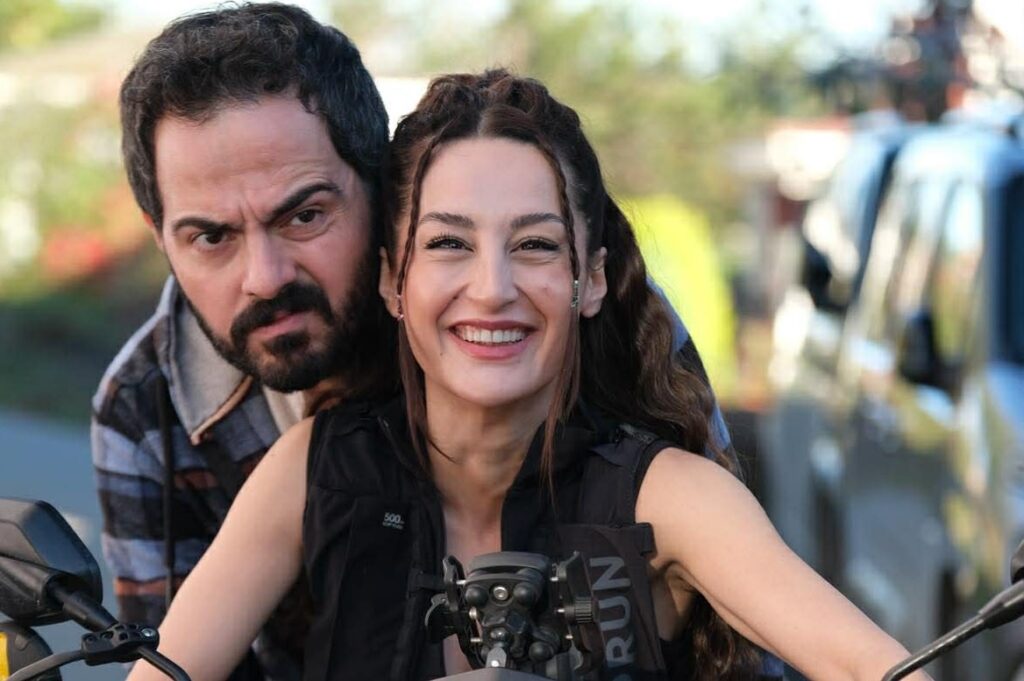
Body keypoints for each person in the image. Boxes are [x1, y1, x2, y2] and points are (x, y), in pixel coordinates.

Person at [127, 70, 928, 681]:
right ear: (393, 281)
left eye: (536, 245)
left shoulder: (669, 495)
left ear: (590, 279)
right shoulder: (314, 468)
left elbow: (878, 667)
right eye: (448, 243)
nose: (492, 287)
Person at [91, 4, 741, 681]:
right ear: (159, 234)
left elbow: (737, 632)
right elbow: (169, 663)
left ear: (381, 190)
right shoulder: (145, 410)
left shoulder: (585, 314)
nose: (265, 277)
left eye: (305, 215)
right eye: (210, 236)